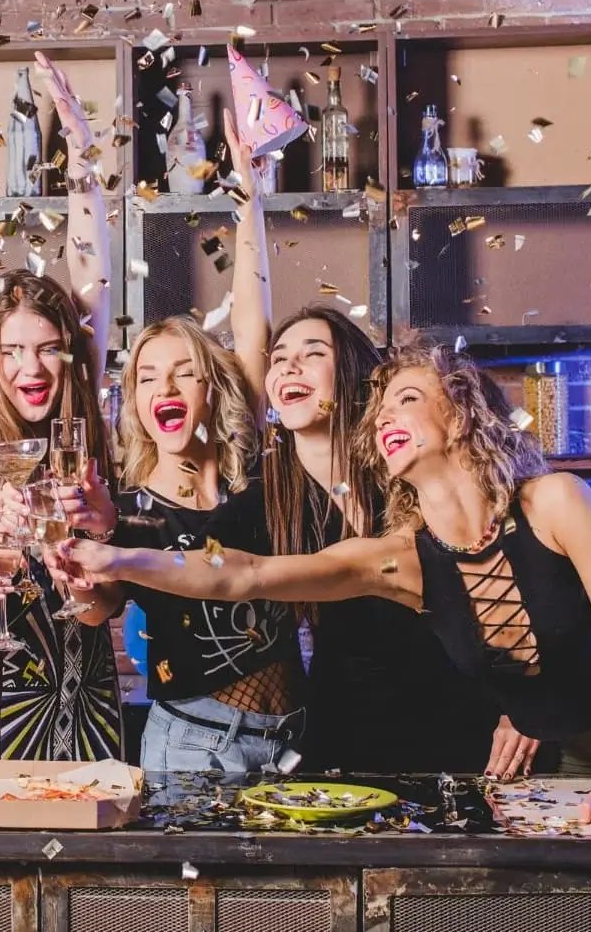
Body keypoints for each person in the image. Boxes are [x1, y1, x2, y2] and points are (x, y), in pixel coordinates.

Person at [57, 343, 591, 899]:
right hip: (574, 745)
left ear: (463, 412)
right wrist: (120, 558)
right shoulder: (404, 559)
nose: (387, 415)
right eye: (381, 409)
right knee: (590, 900)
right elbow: (243, 571)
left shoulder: (554, 501)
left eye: (409, 396)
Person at [217, 109, 506, 775]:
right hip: (344, 731)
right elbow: (249, 331)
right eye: (280, 359)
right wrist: (251, 202)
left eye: (311, 354)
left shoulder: (405, 463)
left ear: (348, 374)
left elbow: (515, 583)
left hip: (463, 721)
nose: (287, 367)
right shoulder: (274, 486)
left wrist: (524, 710)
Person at [0, 52, 124, 762]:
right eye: (11, 352)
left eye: (47, 348)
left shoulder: (78, 435)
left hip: (91, 700)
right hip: (2, 705)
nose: (31, 369)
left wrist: (80, 149)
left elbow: (95, 277)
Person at [93, 315, 304, 772]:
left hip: (295, 740)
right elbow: (93, 610)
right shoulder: (128, 515)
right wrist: (84, 548)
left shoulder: (256, 484)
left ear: (214, 389)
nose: (165, 388)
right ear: (136, 402)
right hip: (195, 744)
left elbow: (254, 327)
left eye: (185, 372)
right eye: (148, 378)